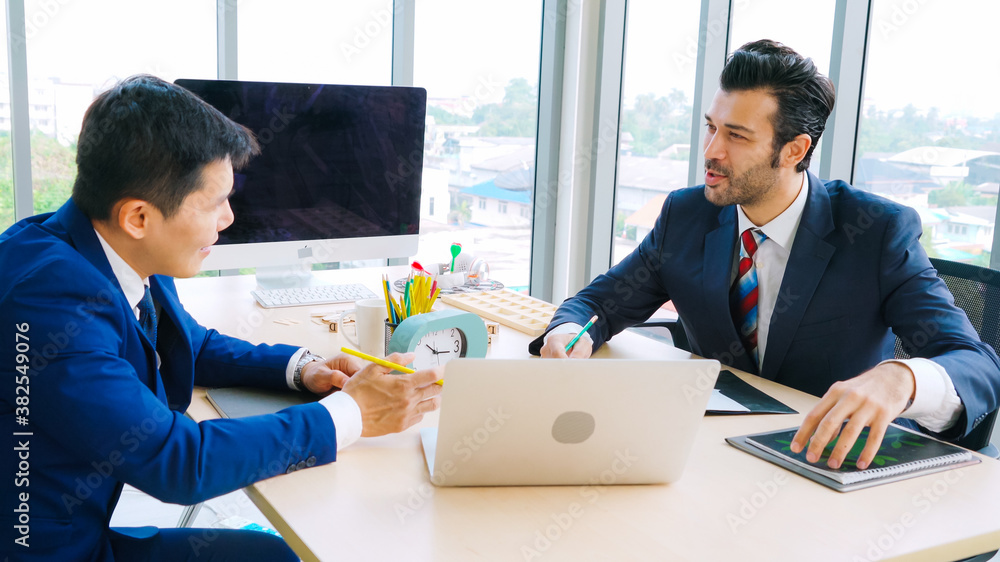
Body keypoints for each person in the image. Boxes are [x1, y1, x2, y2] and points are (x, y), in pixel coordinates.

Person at [0, 75, 442, 561]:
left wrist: (304, 368)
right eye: (215, 203)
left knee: (270, 554)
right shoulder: (49, 300)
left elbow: (189, 344)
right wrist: (354, 414)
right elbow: (178, 461)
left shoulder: (111, 245)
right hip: (43, 550)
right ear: (139, 217)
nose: (228, 218)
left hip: (75, 528)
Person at [532, 40, 1000, 472]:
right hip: (710, 457)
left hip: (825, 463)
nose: (712, 151)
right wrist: (571, 333)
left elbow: (977, 364)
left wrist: (901, 380)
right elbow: (597, 305)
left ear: (794, 150)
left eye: (736, 136)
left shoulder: (874, 232)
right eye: (711, 128)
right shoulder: (686, 215)